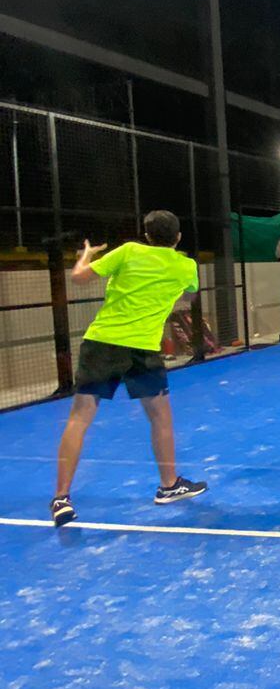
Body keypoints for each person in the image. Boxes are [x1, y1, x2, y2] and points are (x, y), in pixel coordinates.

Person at [50, 210, 209, 528]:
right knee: (160, 416)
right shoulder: (186, 266)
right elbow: (189, 295)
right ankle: (168, 485)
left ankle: (61, 498)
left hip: (102, 343)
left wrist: (84, 257)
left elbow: (79, 278)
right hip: (142, 350)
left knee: (80, 418)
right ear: (177, 237)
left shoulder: (127, 251)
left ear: (146, 235)